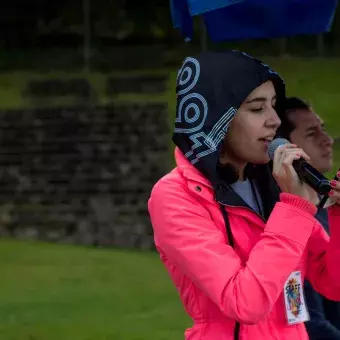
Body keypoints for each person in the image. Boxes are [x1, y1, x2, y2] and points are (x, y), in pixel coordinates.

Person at [148, 50, 340, 340]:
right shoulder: (176, 196)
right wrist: (295, 209)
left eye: (274, 106)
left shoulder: (275, 182)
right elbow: (245, 302)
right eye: (256, 108)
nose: (275, 120)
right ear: (217, 117)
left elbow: (332, 282)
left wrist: (337, 214)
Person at [278, 96, 340, 339]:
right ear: (285, 148)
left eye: (323, 129)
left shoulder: (327, 212)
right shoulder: (289, 226)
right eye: (312, 134)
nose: (328, 140)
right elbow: (306, 322)